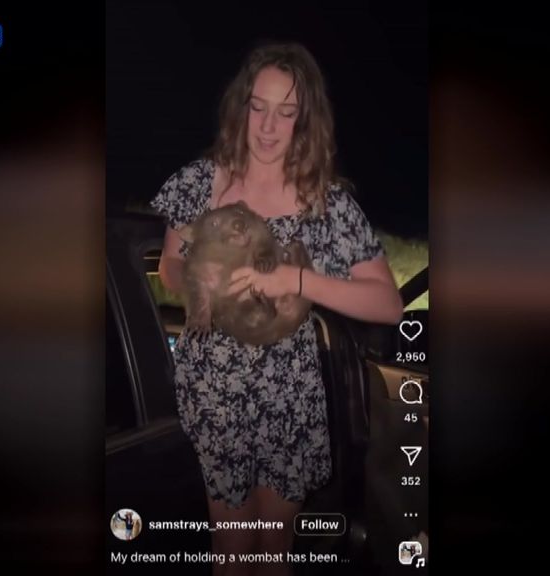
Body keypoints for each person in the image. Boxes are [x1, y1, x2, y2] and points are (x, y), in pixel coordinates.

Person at [151, 42, 403, 576]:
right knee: (232, 553)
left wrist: (297, 279)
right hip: (215, 393)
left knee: (274, 551)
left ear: (304, 120)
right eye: (258, 108)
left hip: (289, 393)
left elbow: (388, 304)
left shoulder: (326, 203)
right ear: (241, 106)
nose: (268, 127)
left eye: (286, 113)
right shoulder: (199, 182)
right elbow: (170, 265)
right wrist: (197, 276)